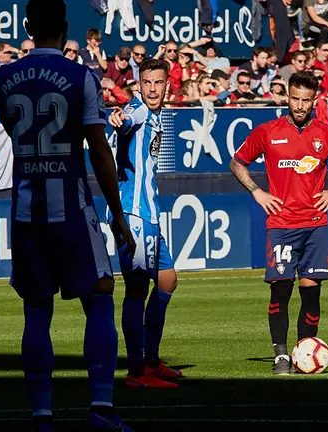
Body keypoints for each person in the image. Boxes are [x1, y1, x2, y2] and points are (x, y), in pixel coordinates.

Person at [0, 0, 136, 430]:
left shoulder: (3, 77)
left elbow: (13, 131)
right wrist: (117, 213)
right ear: (66, 28)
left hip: (26, 211)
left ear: (28, 27)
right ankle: (101, 410)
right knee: (100, 294)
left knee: (37, 310)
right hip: (70, 208)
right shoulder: (81, 76)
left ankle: (41, 415)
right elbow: (98, 148)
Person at [229, 71, 328, 375]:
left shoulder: (326, 134)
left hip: (315, 224)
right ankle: (281, 355)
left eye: (306, 100)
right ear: (287, 97)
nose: (300, 105)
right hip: (281, 225)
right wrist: (257, 192)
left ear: (315, 100)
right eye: (295, 98)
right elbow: (237, 162)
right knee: (280, 291)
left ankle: (304, 350)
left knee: (311, 290)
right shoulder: (268, 131)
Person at [107, 58, 183, 389]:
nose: (152, 88)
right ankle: (137, 372)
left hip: (147, 215)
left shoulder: (154, 116)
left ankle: (150, 360)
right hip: (133, 216)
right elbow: (124, 123)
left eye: (158, 82)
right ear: (138, 84)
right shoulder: (136, 112)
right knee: (137, 291)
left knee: (167, 281)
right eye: (146, 82)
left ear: (167, 86)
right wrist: (118, 119)